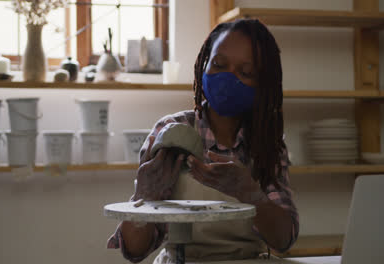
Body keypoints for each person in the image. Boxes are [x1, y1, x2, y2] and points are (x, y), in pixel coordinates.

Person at [107, 18, 299, 263]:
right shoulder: (172, 133)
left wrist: (251, 194)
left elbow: (284, 239)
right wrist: (145, 196)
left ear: (263, 84)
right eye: (219, 64)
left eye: (246, 72)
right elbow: (134, 250)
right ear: (204, 64)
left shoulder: (266, 145)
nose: (229, 79)